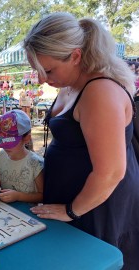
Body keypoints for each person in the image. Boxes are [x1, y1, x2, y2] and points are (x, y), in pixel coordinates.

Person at [24, 12, 139, 269]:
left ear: (76, 56)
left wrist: (72, 210)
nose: (42, 79)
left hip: (98, 206)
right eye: (37, 71)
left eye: (48, 70)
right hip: (76, 201)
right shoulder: (70, 84)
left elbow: (110, 173)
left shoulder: (100, 91)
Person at [0, 110, 44, 203]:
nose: (5, 146)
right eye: (2, 142)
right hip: (5, 209)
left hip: (25, 214)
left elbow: (42, 196)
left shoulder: (36, 163)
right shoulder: (1, 156)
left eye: (9, 143)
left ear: (26, 138)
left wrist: (18, 196)